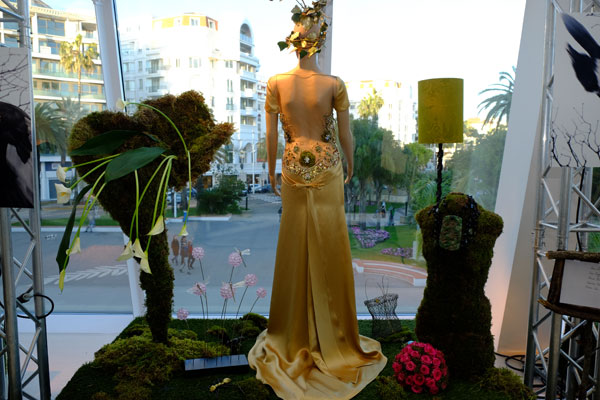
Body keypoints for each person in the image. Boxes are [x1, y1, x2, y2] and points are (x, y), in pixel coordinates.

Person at [248, 4, 387, 399]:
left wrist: (271, 170)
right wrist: (351, 163)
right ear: (319, 42)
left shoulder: (276, 83)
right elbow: (345, 135)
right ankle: (334, 336)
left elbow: (271, 136)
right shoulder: (333, 83)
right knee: (330, 246)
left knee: (293, 245)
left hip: (293, 167)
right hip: (327, 168)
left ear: (293, 42)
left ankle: (292, 333)